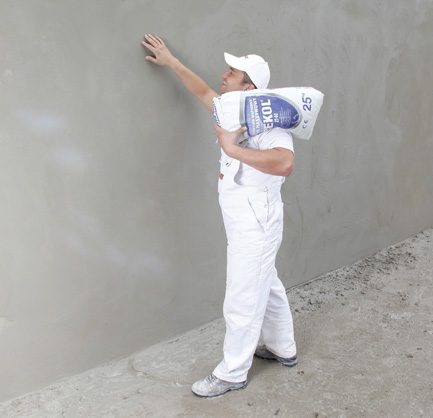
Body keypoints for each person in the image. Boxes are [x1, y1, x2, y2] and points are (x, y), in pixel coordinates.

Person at [142, 34, 297, 398]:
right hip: (244, 219)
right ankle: (282, 346)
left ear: (249, 86)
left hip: (256, 221)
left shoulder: (270, 122)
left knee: (243, 298)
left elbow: (285, 163)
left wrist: (232, 149)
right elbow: (203, 92)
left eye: (233, 73)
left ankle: (232, 372)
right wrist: (172, 61)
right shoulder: (232, 108)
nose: (224, 74)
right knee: (265, 280)